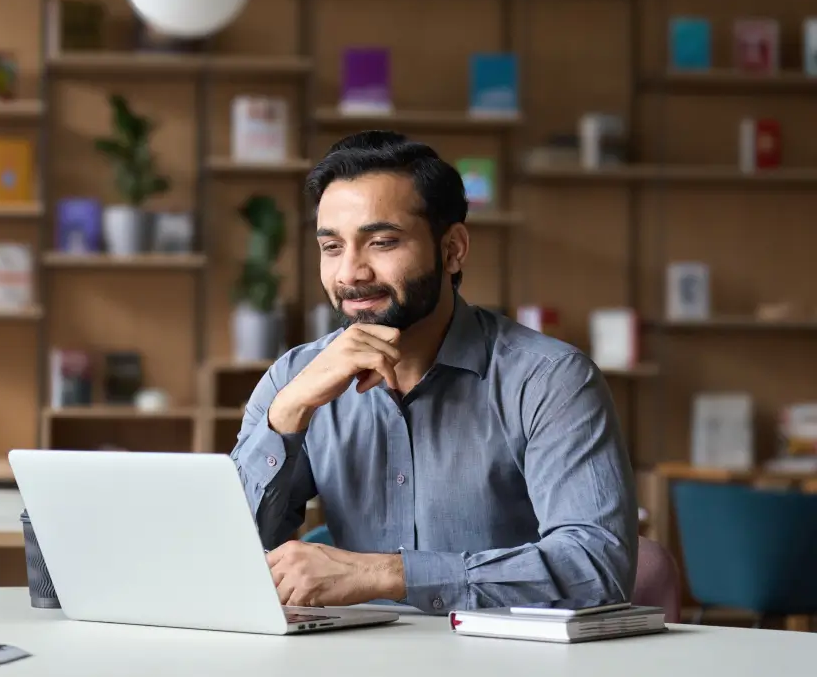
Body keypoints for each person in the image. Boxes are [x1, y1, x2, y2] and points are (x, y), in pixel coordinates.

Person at [229, 130, 638, 615]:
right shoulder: (293, 379)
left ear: (452, 250)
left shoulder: (550, 380)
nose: (350, 274)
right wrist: (288, 416)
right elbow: (223, 560)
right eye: (332, 247)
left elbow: (597, 568)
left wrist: (386, 574)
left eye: (381, 242)